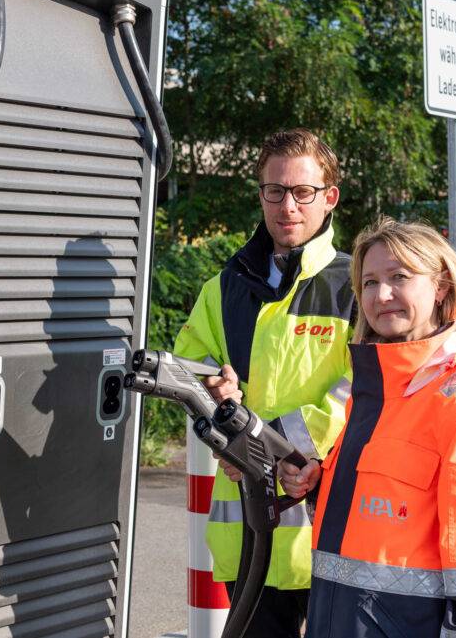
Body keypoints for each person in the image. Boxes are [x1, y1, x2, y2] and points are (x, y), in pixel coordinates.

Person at [280, 217, 456, 638]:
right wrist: (319, 486)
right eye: (370, 282)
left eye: (400, 277)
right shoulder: (371, 393)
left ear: (441, 287)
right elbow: (379, 523)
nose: (382, 295)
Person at [174, 128, 355, 638]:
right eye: (275, 190)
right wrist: (218, 411)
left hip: (333, 534)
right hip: (250, 538)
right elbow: (190, 372)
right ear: (260, 194)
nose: (288, 205)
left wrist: (273, 449)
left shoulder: (356, 284)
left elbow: (356, 389)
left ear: (329, 198)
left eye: (303, 192)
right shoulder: (224, 286)